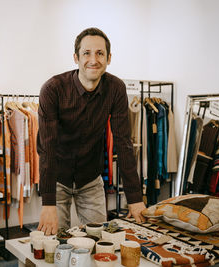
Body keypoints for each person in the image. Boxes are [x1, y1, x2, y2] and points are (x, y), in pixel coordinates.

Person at [37, 27, 146, 235]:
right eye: (86, 53)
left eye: (100, 53)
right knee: (54, 243)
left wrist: (135, 198)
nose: (93, 60)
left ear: (109, 58)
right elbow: (47, 148)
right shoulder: (53, 89)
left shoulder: (116, 89)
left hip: (90, 178)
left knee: (99, 240)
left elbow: (123, 143)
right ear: (76, 57)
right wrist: (48, 203)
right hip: (57, 176)